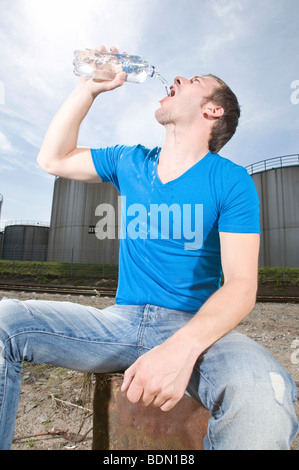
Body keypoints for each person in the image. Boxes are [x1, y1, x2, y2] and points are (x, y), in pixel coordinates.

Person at [0, 46, 298, 450]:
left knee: (267, 393)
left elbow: (242, 285)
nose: (175, 79)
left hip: (193, 327)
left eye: (192, 81)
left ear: (213, 111)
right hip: (118, 324)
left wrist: (180, 351)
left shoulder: (231, 181)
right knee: (4, 321)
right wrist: (89, 89)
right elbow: (53, 159)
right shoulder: (131, 161)